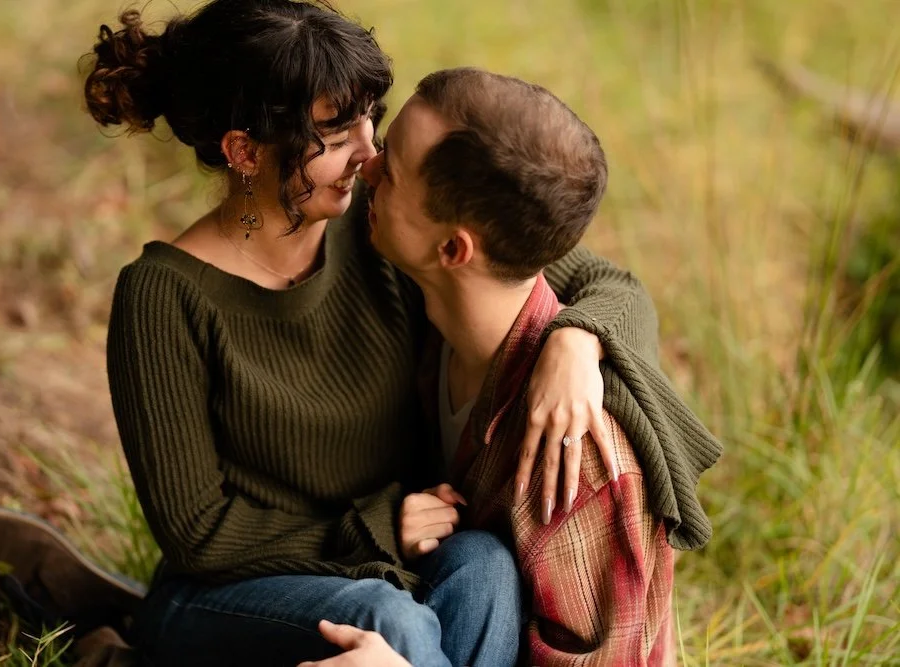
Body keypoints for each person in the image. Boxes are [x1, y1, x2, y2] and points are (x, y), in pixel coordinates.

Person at [0, 1, 720, 665]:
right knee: (393, 624)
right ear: (244, 151)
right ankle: (139, 637)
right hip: (231, 595)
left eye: (370, 117)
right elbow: (197, 531)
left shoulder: (382, 232)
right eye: (337, 130)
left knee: (486, 566)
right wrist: (376, 526)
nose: (372, 152)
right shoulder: (163, 297)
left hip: (402, 567)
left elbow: (593, 276)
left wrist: (575, 342)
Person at [300, 67, 701, 667]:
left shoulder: (578, 461)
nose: (370, 166)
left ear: (453, 249)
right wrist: (579, 337)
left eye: (395, 169)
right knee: (477, 564)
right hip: (449, 602)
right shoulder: (436, 305)